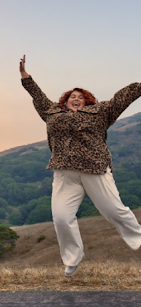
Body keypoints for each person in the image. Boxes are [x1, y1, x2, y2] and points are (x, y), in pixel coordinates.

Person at [20, 55, 141, 276]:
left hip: (95, 170)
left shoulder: (100, 112)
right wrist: (25, 76)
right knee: (61, 217)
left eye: (81, 97)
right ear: (64, 101)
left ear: (87, 102)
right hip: (65, 173)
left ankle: (139, 238)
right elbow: (38, 97)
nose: (76, 98)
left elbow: (122, 98)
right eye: (72, 96)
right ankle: (72, 259)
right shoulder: (52, 113)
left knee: (114, 211)